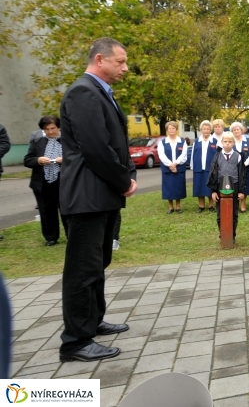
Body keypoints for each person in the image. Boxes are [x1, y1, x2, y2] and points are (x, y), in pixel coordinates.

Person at [58, 37, 137, 362]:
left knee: (98, 264)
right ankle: (75, 341)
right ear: (100, 59)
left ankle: (93, 321)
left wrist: (128, 173)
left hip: (101, 196)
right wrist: (123, 181)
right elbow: (96, 148)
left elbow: (115, 142)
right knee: (82, 269)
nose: (125, 68)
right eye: (120, 62)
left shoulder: (101, 92)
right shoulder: (83, 92)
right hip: (87, 196)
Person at [24, 115, 68, 245]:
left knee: (66, 210)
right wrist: (38, 160)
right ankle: (51, 237)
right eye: (46, 129)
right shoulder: (38, 142)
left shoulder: (67, 141)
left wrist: (64, 160)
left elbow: (77, 158)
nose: (50, 132)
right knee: (47, 211)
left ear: (59, 127)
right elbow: (27, 160)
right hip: (42, 183)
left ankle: (71, 234)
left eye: (53, 128)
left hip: (63, 182)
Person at [208, 131, 246, 239]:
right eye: (225, 141)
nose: (227, 143)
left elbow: (242, 174)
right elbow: (213, 173)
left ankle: (232, 234)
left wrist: (241, 191)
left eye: (230, 141)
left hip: (234, 186)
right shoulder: (217, 156)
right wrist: (214, 191)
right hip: (220, 186)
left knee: (234, 213)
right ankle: (223, 233)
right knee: (220, 213)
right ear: (221, 142)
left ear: (234, 143)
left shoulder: (238, 156)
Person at [158, 121, 188, 214]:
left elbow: (184, 155)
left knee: (179, 187)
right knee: (169, 188)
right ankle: (170, 207)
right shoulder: (162, 142)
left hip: (179, 168)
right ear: (167, 130)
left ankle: (178, 206)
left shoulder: (182, 142)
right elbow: (161, 155)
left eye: (173, 128)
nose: (171, 130)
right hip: (167, 168)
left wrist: (175, 164)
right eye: (169, 128)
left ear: (176, 129)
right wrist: (170, 165)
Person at [191, 120, 218, 213]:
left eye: (207, 129)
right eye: (204, 129)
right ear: (201, 130)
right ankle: (201, 205)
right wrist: (192, 166)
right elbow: (193, 154)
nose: (206, 130)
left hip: (210, 168)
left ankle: (211, 205)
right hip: (198, 167)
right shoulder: (197, 141)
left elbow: (218, 155)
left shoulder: (215, 141)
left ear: (210, 130)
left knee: (210, 187)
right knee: (199, 186)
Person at [230, 122, 249, 213]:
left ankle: (243, 204)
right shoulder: (230, 141)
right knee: (234, 185)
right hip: (233, 168)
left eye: (238, 129)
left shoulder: (248, 141)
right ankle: (234, 204)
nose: (236, 131)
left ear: (241, 130)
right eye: (234, 130)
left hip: (245, 167)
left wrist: (246, 163)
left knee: (244, 186)